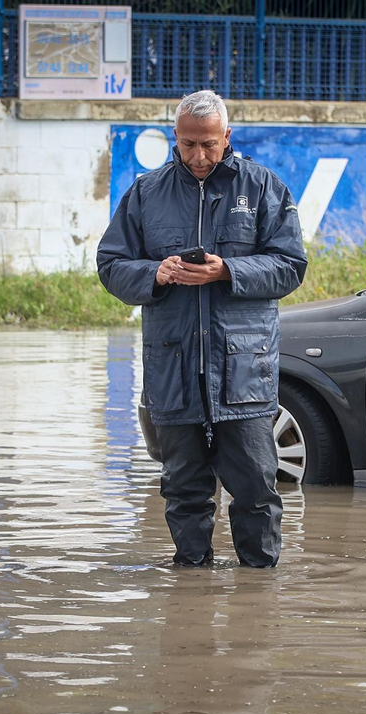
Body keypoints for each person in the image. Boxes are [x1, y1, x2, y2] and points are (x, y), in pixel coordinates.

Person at [97, 90, 307, 567]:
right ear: (176, 137)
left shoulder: (261, 187)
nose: (198, 156)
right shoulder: (146, 193)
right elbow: (110, 266)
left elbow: (291, 266)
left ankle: (258, 597)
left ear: (227, 136)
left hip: (244, 375)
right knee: (183, 491)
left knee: (256, 488)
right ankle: (190, 587)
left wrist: (227, 271)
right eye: (189, 144)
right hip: (173, 368)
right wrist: (155, 273)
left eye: (209, 144)